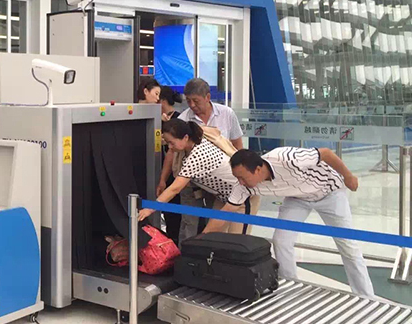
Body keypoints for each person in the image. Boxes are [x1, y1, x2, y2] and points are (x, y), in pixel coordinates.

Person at [211, 148, 375, 298]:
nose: (240, 182)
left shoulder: (286, 158)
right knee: (281, 241)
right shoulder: (245, 187)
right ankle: (290, 288)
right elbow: (226, 212)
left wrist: (348, 176)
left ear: (258, 169)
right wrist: (203, 237)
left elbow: (326, 153)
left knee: (348, 246)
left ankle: (366, 296)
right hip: (297, 199)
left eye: (242, 177)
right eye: (237, 178)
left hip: (330, 192)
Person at [157, 78, 244, 237]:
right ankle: (188, 256)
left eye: (195, 101)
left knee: (215, 221)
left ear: (208, 97)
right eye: (188, 101)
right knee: (189, 221)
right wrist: (163, 179)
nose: (192, 105)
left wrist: (242, 173)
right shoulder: (184, 118)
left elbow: (237, 145)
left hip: (218, 181)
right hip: (191, 180)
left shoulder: (227, 114)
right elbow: (172, 152)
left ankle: (208, 254)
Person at [138, 119, 241, 244]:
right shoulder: (194, 143)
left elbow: (175, 188)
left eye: (172, 143)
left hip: (242, 195)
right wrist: (162, 180)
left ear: (185, 137)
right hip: (224, 197)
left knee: (236, 241)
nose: (170, 147)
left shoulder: (197, 155)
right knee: (212, 236)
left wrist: (150, 208)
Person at [159, 87, 182, 242]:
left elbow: (173, 152)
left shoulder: (178, 120)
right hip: (162, 171)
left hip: (174, 173)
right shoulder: (156, 118)